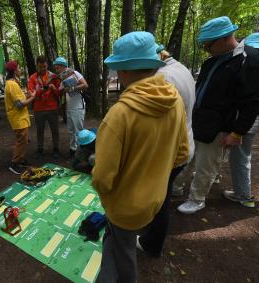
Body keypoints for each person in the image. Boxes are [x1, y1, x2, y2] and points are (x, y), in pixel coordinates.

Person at [92, 31, 189, 283]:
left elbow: (103, 177)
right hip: (154, 201)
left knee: (121, 254)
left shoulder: (119, 115)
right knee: (117, 246)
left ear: (123, 71)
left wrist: (108, 200)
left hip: (124, 208)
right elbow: (182, 153)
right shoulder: (174, 100)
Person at [177, 16, 259, 214]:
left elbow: (252, 101)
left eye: (208, 45)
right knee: (188, 155)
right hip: (200, 120)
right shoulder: (214, 60)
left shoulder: (251, 61)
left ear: (225, 38)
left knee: (206, 164)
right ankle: (176, 188)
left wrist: (237, 132)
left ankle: (197, 199)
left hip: (220, 124)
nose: (206, 49)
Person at [136, 45, 196, 257]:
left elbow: (156, 125)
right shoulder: (181, 68)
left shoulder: (163, 79)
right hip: (184, 144)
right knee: (163, 193)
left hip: (172, 150)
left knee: (160, 199)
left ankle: (152, 243)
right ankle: (151, 233)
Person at [224, 32, 259, 208]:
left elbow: (249, 98)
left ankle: (243, 195)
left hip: (254, 117)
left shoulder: (253, 63)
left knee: (241, 157)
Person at [4, 60, 35, 174]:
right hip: (18, 118)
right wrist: (33, 98)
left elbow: (19, 99)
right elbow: (19, 105)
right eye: (19, 68)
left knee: (24, 140)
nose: (20, 70)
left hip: (21, 118)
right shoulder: (12, 85)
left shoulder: (13, 83)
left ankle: (21, 159)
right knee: (21, 140)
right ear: (14, 70)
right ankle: (15, 163)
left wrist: (28, 95)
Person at [52, 57, 89, 156]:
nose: (56, 70)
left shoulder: (75, 73)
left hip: (78, 106)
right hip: (69, 107)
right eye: (55, 68)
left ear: (64, 66)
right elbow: (60, 90)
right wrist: (56, 88)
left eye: (58, 68)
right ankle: (73, 149)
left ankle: (80, 151)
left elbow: (85, 85)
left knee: (78, 130)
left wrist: (72, 88)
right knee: (71, 130)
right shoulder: (62, 78)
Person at [27, 55, 62, 158]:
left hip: (52, 108)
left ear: (47, 65)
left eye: (44, 67)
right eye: (40, 67)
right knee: (40, 130)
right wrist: (41, 90)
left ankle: (56, 149)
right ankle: (40, 149)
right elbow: (30, 93)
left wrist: (53, 88)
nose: (43, 69)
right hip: (39, 108)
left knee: (55, 130)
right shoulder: (33, 78)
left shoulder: (53, 77)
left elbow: (60, 93)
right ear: (37, 66)